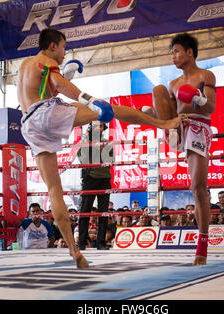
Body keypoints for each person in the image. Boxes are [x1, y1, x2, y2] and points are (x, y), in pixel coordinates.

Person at [18, 28, 184, 268]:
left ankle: (75, 252)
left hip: (29, 124)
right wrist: (90, 100)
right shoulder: (46, 61)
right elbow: (58, 84)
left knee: (54, 189)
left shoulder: (26, 65)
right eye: (64, 48)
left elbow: (43, 87)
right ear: (53, 46)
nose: (65, 53)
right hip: (44, 113)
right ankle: (163, 123)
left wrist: (64, 79)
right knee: (109, 109)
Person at [150, 33, 216, 265]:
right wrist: (159, 117)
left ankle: (203, 242)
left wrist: (197, 97)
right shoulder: (173, 84)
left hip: (198, 126)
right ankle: (163, 126)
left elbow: (211, 106)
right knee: (158, 90)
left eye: (177, 51)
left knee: (198, 187)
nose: (174, 57)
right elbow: (169, 105)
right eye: (172, 53)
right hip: (178, 125)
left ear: (190, 52)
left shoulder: (205, 75)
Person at [77, 122, 112, 250]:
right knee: (85, 211)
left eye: (101, 126)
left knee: (103, 212)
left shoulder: (107, 142)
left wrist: (101, 148)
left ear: (104, 128)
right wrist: (87, 140)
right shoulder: (85, 141)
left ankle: (101, 242)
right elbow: (82, 159)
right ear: (91, 127)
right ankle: (81, 242)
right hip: (89, 177)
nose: (99, 128)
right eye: (96, 126)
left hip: (104, 178)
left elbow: (110, 160)